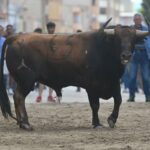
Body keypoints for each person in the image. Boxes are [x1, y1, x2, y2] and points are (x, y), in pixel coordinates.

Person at [128, 13, 150, 102]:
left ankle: (148, 96)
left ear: (141, 20)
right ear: (133, 20)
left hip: (144, 55)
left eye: (139, 19)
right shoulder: (130, 29)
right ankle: (131, 96)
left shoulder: (146, 29)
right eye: (136, 19)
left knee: (145, 77)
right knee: (132, 77)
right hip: (134, 55)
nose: (137, 20)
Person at [36, 22, 56, 103]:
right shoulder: (43, 38)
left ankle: (50, 96)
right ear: (47, 28)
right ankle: (39, 96)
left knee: (52, 80)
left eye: (53, 27)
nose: (52, 29)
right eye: (50, 27)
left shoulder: (56, 37)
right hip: (44, 61)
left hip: (53, 61)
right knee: (42, 80)